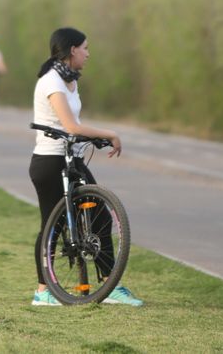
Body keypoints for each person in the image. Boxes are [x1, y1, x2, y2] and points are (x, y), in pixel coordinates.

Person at [28, 27, 141, 307]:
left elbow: (74, 129)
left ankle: (109, 286)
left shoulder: (71, 81)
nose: (88, 54)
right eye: (85, 48)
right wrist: (108, 133)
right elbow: (70, 126)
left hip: (72, 158)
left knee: (100, 216)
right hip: (50, 161)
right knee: (51, 227)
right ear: (72, 50)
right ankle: (43, 291)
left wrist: (93, 138)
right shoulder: (52, 81)